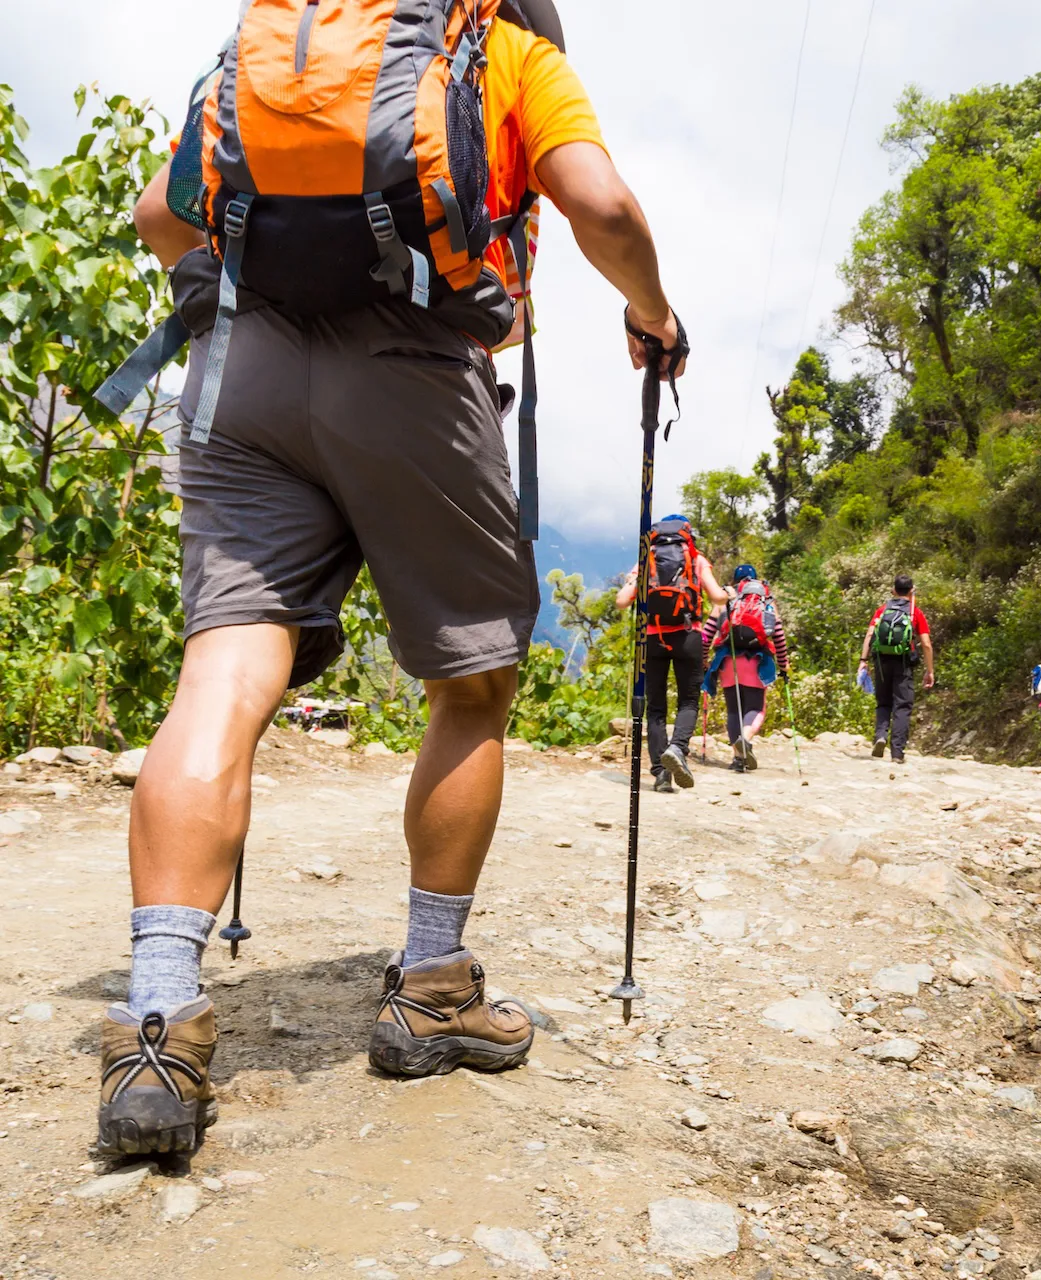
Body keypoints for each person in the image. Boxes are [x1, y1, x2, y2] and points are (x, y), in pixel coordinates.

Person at [102, 3, 687, 1155]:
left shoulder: (271, 50)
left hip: (243, 374)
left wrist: (239, 314)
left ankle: (156, 1022)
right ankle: (430, 987)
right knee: (470, 682)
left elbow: (162, 216)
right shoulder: (506, 55)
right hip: (416, 372)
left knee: (223, 672)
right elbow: (603, 206)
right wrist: (652, 312)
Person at [615, 516, 731, 792]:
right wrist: (727, 593)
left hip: (652, 639)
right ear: (687, 534)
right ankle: (678, 748)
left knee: (655, 708)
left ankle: (660, 774)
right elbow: (716, 597)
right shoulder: (695, 557)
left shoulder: (647, 560)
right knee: (688, 701)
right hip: (688, 635)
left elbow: (621, 601)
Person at [700, 565, 791, 772]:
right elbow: (778, 636)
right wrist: (784, 664)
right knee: (755, 708)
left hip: (727, 661)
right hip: (756, 662)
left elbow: (706, 634)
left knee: (734, 710)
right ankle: (746, 738)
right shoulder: (766, 602)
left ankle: (738, 757)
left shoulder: (725, 601)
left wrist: (703, 660)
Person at [858, 575, 935, 764]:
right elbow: (925, 643)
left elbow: (870, 634)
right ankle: (897, 753)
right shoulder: (914, 613)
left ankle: (880, 736)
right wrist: (930, 670)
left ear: (893, 590)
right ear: (911, 591)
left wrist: (863, 660)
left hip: (881, 662)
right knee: (902, 705)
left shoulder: (882, 610)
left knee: (883, 702)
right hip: (903, 663)